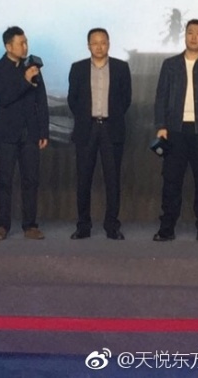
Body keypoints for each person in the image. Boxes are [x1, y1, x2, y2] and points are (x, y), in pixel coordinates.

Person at [153, 19, 198, 243]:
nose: (194, 37)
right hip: (175, 131)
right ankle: (166, 228)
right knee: (171, 182)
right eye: (190, 32)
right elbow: (160, 97)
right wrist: (161, 126)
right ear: (184, 35)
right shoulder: (170, 65)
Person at [67, 28, 132, 240]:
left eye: (103, 42)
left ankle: (112, 226)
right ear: (88, 45)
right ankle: (83, 226)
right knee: (83, 180)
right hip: (87, 128)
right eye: (94, 43)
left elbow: (126, 99)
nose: (99, 46)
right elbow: (72, 99)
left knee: (112, 180)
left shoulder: (121, 68)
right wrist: (86, 117)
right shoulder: (78, 68)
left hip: (111, 128)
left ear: (109, 44)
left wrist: (111, 116)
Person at [0, 26, 49, 241]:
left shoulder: (33, 67)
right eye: (21, 43)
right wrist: (25, 80)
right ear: (8, 46)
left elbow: (41, 101)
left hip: (30, 133)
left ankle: (30, 225)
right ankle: (2, 225)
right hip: (6, 134)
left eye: (26, 42)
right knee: (4, 181)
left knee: (31, 180)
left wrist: (44, 131)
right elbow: (4, 97)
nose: (25, 47)